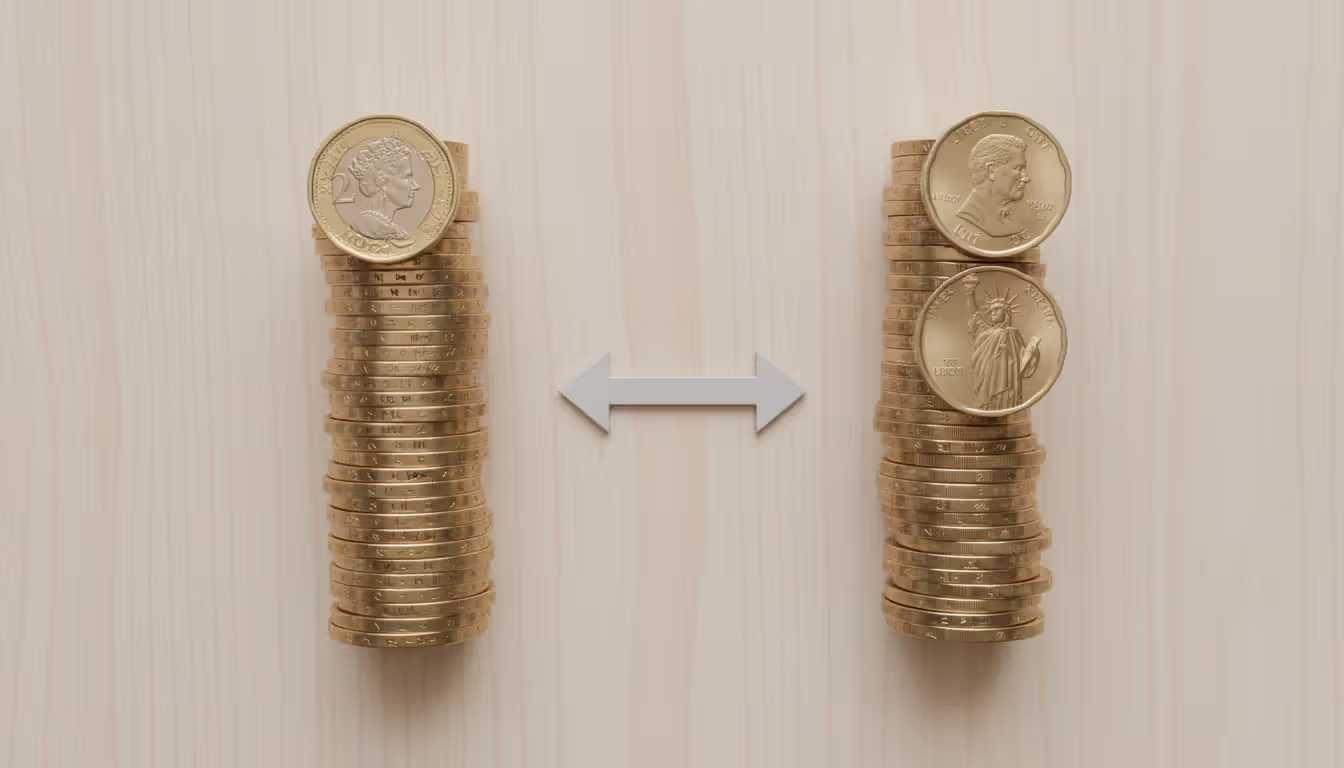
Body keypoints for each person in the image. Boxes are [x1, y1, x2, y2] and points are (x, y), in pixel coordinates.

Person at [963, 274, 1040, 410]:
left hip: (1007, 382)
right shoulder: (985, 333)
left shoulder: (1012, 332)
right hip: (987, 380)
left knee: (1004, 405)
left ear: (1006, 313)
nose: (993, 312)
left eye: (997, 309)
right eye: (991, 310)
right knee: (987, 406)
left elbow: (1022, 359)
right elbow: (974, 317)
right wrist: (970, 293)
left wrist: (1033, 351)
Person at [955, 134, 1031, 237]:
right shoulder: (971, 218)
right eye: (1018, 169)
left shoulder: (1007, 221)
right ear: (991, 170)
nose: (1026, 178)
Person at [345, 137, 420, 240]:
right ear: (382, 182)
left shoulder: (389, 227)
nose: (416, 186)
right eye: (407, 177)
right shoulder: (368, 226)